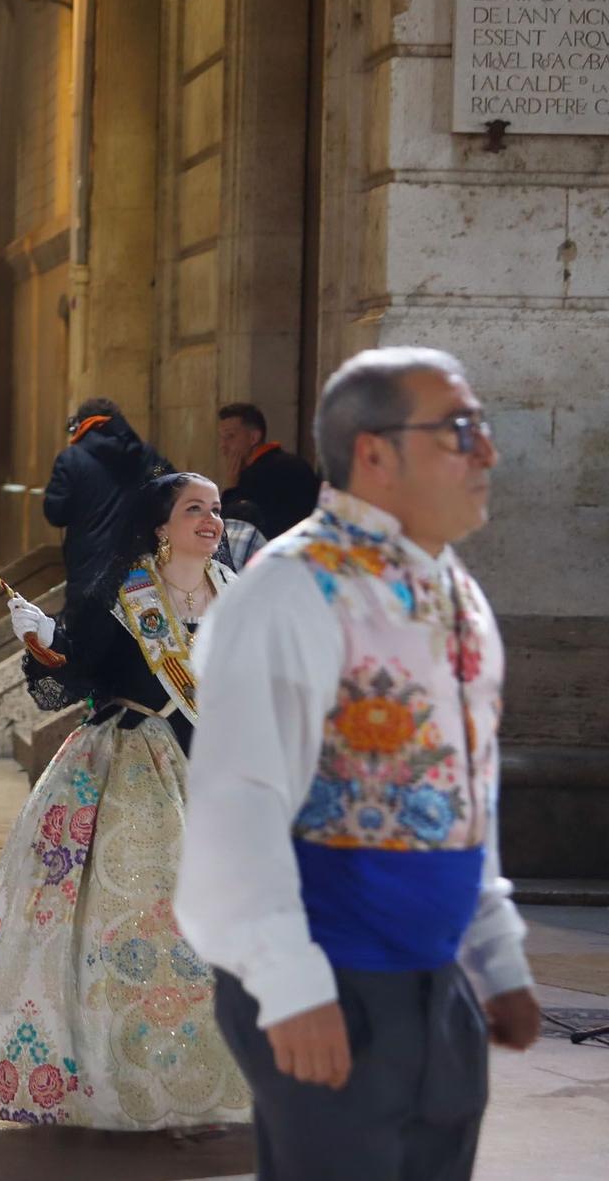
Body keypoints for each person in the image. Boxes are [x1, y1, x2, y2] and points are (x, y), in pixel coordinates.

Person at [177, 348, 534, 1181]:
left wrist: (497, 954)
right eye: (459, 430)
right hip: (328, 974)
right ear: (374, 451)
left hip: (436, 975)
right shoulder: (292, 588)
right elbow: (238, 803)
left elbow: (462, 787)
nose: (486, 451)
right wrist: (290, 982)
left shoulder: (456, 593)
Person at [0, 471, 251, 1129]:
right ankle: (114, 1075)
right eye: (194, 509)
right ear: (159, 524)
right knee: (131, 927)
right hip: (129, 769)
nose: (210, 520)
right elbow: (72, 669)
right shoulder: (124, 593)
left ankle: (207, 1075)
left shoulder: (236, 593)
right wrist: (43, 640)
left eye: (217, 510)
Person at [43, 397, 173, 593]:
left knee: (87, 623)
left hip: (88, 572)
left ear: (82, 424)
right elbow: (171, 488)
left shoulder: (71, 460)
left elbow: (56, 513)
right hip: (138, 570)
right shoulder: (145, 457)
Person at [217, 402, 321, 540]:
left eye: (230, 437)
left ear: (254, 438)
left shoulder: (254, 476)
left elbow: (232, 528)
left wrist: (232, 486)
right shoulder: (297, 462)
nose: (223, 446)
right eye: (222, 438)